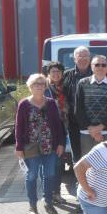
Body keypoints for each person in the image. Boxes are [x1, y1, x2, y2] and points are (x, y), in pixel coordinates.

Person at [15, 73, 65, 214]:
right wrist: (19, 147)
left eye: (42, 84)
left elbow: (58, 125)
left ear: (45, 86)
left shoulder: (51, 103)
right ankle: (32, 205)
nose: (39, 87)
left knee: (49, 175)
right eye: (36, 84)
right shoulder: (24, 104)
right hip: (30, 147)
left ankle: (48, 203)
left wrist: (61, 144)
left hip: (50, 146)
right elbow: (18, 127)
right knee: (31, 176)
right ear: (30, 87)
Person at [75, 55, 107, 156]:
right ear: (91, 67)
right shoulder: (82, 83)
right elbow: (79, 109)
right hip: (87, 133)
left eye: (103, 65)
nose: (100, 67)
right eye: (97, 65)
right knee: (88, 166)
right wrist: (92, 130)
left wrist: (99, 128)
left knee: (106, 163)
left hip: (106, 132)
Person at [63, 46, 92, 164]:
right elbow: (61, 96)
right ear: (74, 59)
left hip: (93, 122)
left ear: (90, 58)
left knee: (93, 154)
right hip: (74, 123)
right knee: (77, 155)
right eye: (80, 56)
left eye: (86, 56)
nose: (83, 58)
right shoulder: (67, 75)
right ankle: (79, 181)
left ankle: (93, 181)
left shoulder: (98, 71)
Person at [44, 61, 68, 204]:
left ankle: (56, 192)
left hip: (64, 129)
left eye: (58, 71)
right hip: (47, 130)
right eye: (53, 71)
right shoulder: (44, 87)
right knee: (48, 163)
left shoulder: (66, 87)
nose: (56, 74)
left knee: (59, 163)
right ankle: (48, 193)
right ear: (48, 74)